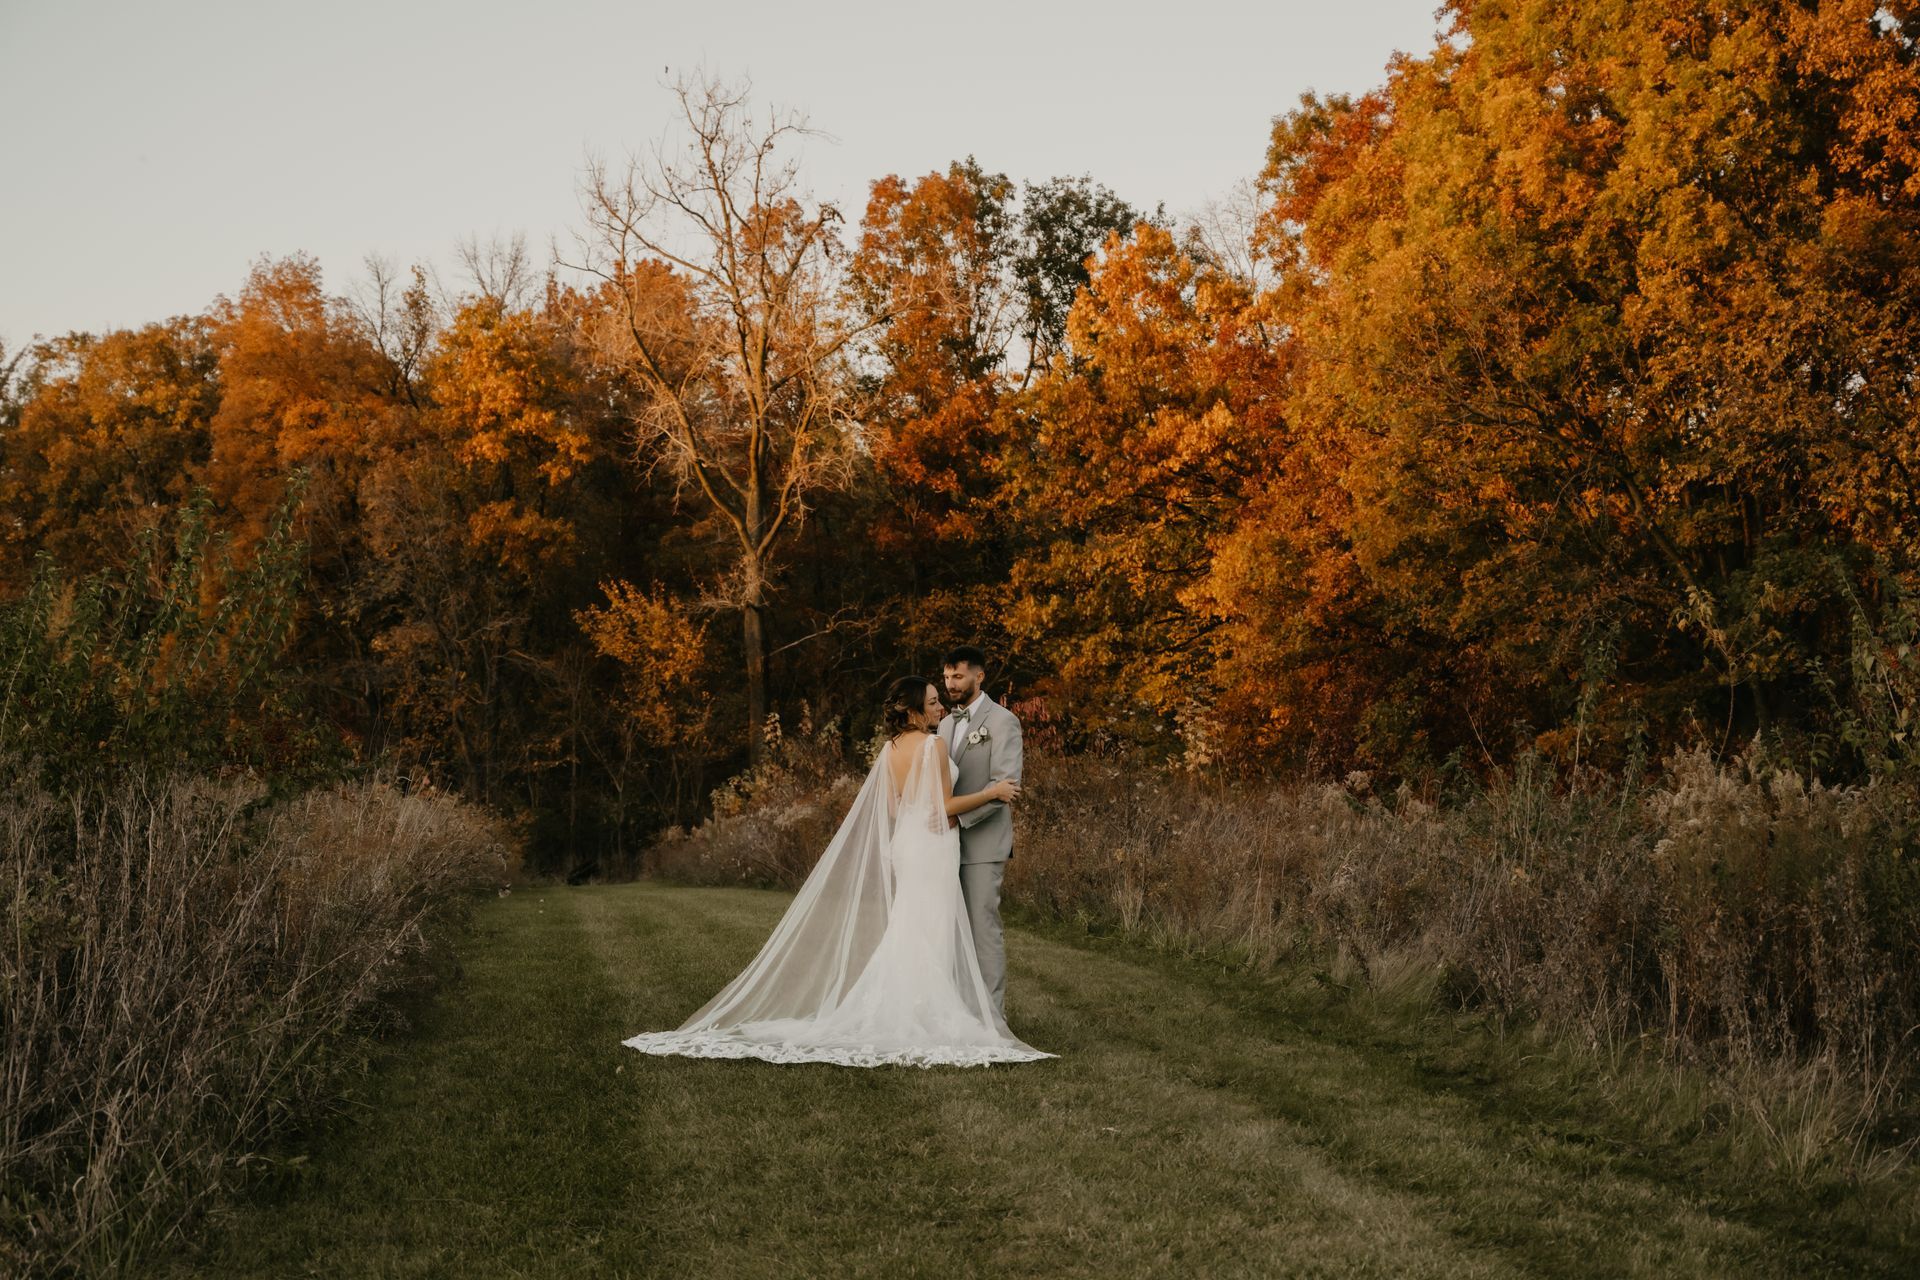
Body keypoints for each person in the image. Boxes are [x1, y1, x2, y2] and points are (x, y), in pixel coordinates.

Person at [621, 675, 1055, 1068]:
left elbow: (892, 808)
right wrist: (991, 791)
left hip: (907, 846)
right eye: (933, 702)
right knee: (932, 926)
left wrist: (920, 810)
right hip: (933, 847)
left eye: (940, 701)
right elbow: (944, 808)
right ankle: (926, 1013)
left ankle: (908, 1006)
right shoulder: (933, 745)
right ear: (913, 710)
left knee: (911, 925)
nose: (941, 708)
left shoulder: (890, 749)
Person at [936, 644, 1022, 1021]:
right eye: (947, 676)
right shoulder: (944, 724)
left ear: (979, 676)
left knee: (983, 930)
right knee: (949, 931)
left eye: (958, 676)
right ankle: (957, 1012)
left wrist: (958, 818)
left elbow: (1006, 787)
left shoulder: (1003, 721)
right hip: (942, 845)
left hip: (983, 844)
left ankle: (991, 1019)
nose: (951, 684)